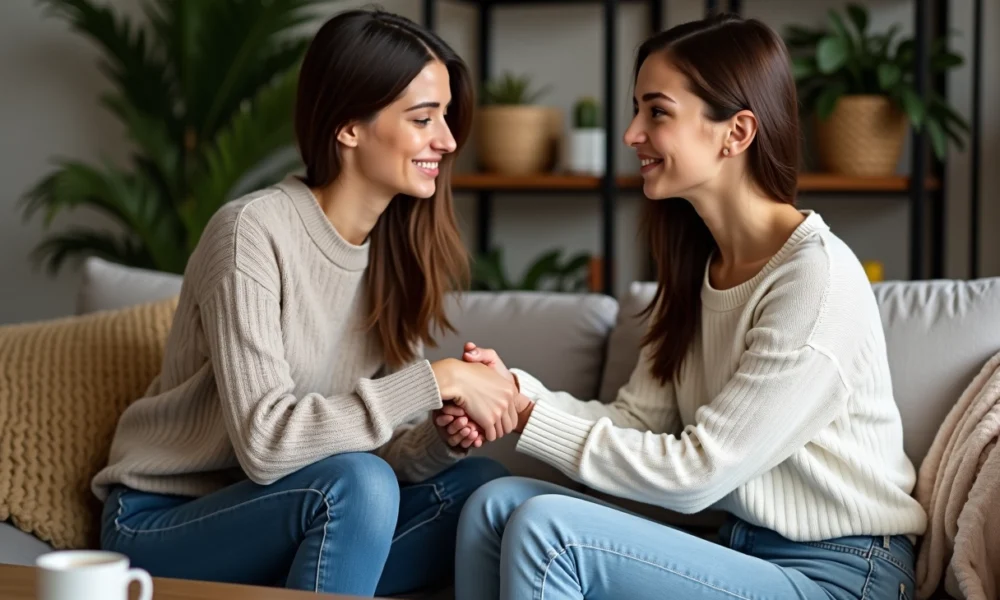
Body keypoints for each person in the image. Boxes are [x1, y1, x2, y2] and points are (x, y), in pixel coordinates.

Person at [444, 13, 928, 600]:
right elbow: (639, 424)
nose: (631, 134)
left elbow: (697, 474)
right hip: (740, 548)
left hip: (847, 573)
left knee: (553, 533)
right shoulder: (700, 267)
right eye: (636, 110)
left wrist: (524, 417)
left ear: (737, 131)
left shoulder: (814, 281)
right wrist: (514, 392)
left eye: (657, 112)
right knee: (495, 503)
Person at [91, 8, 517, 597]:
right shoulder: (251, 231)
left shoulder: (396, 250)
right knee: (358, 487)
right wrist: (434, 379)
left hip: (298, 513)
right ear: (349, 128)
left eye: (444, 116)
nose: (446, 140)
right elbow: (267, 447)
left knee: (480, 487)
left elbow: (382, 455)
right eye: (423, 118)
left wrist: (443, 436)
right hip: (163, 521)